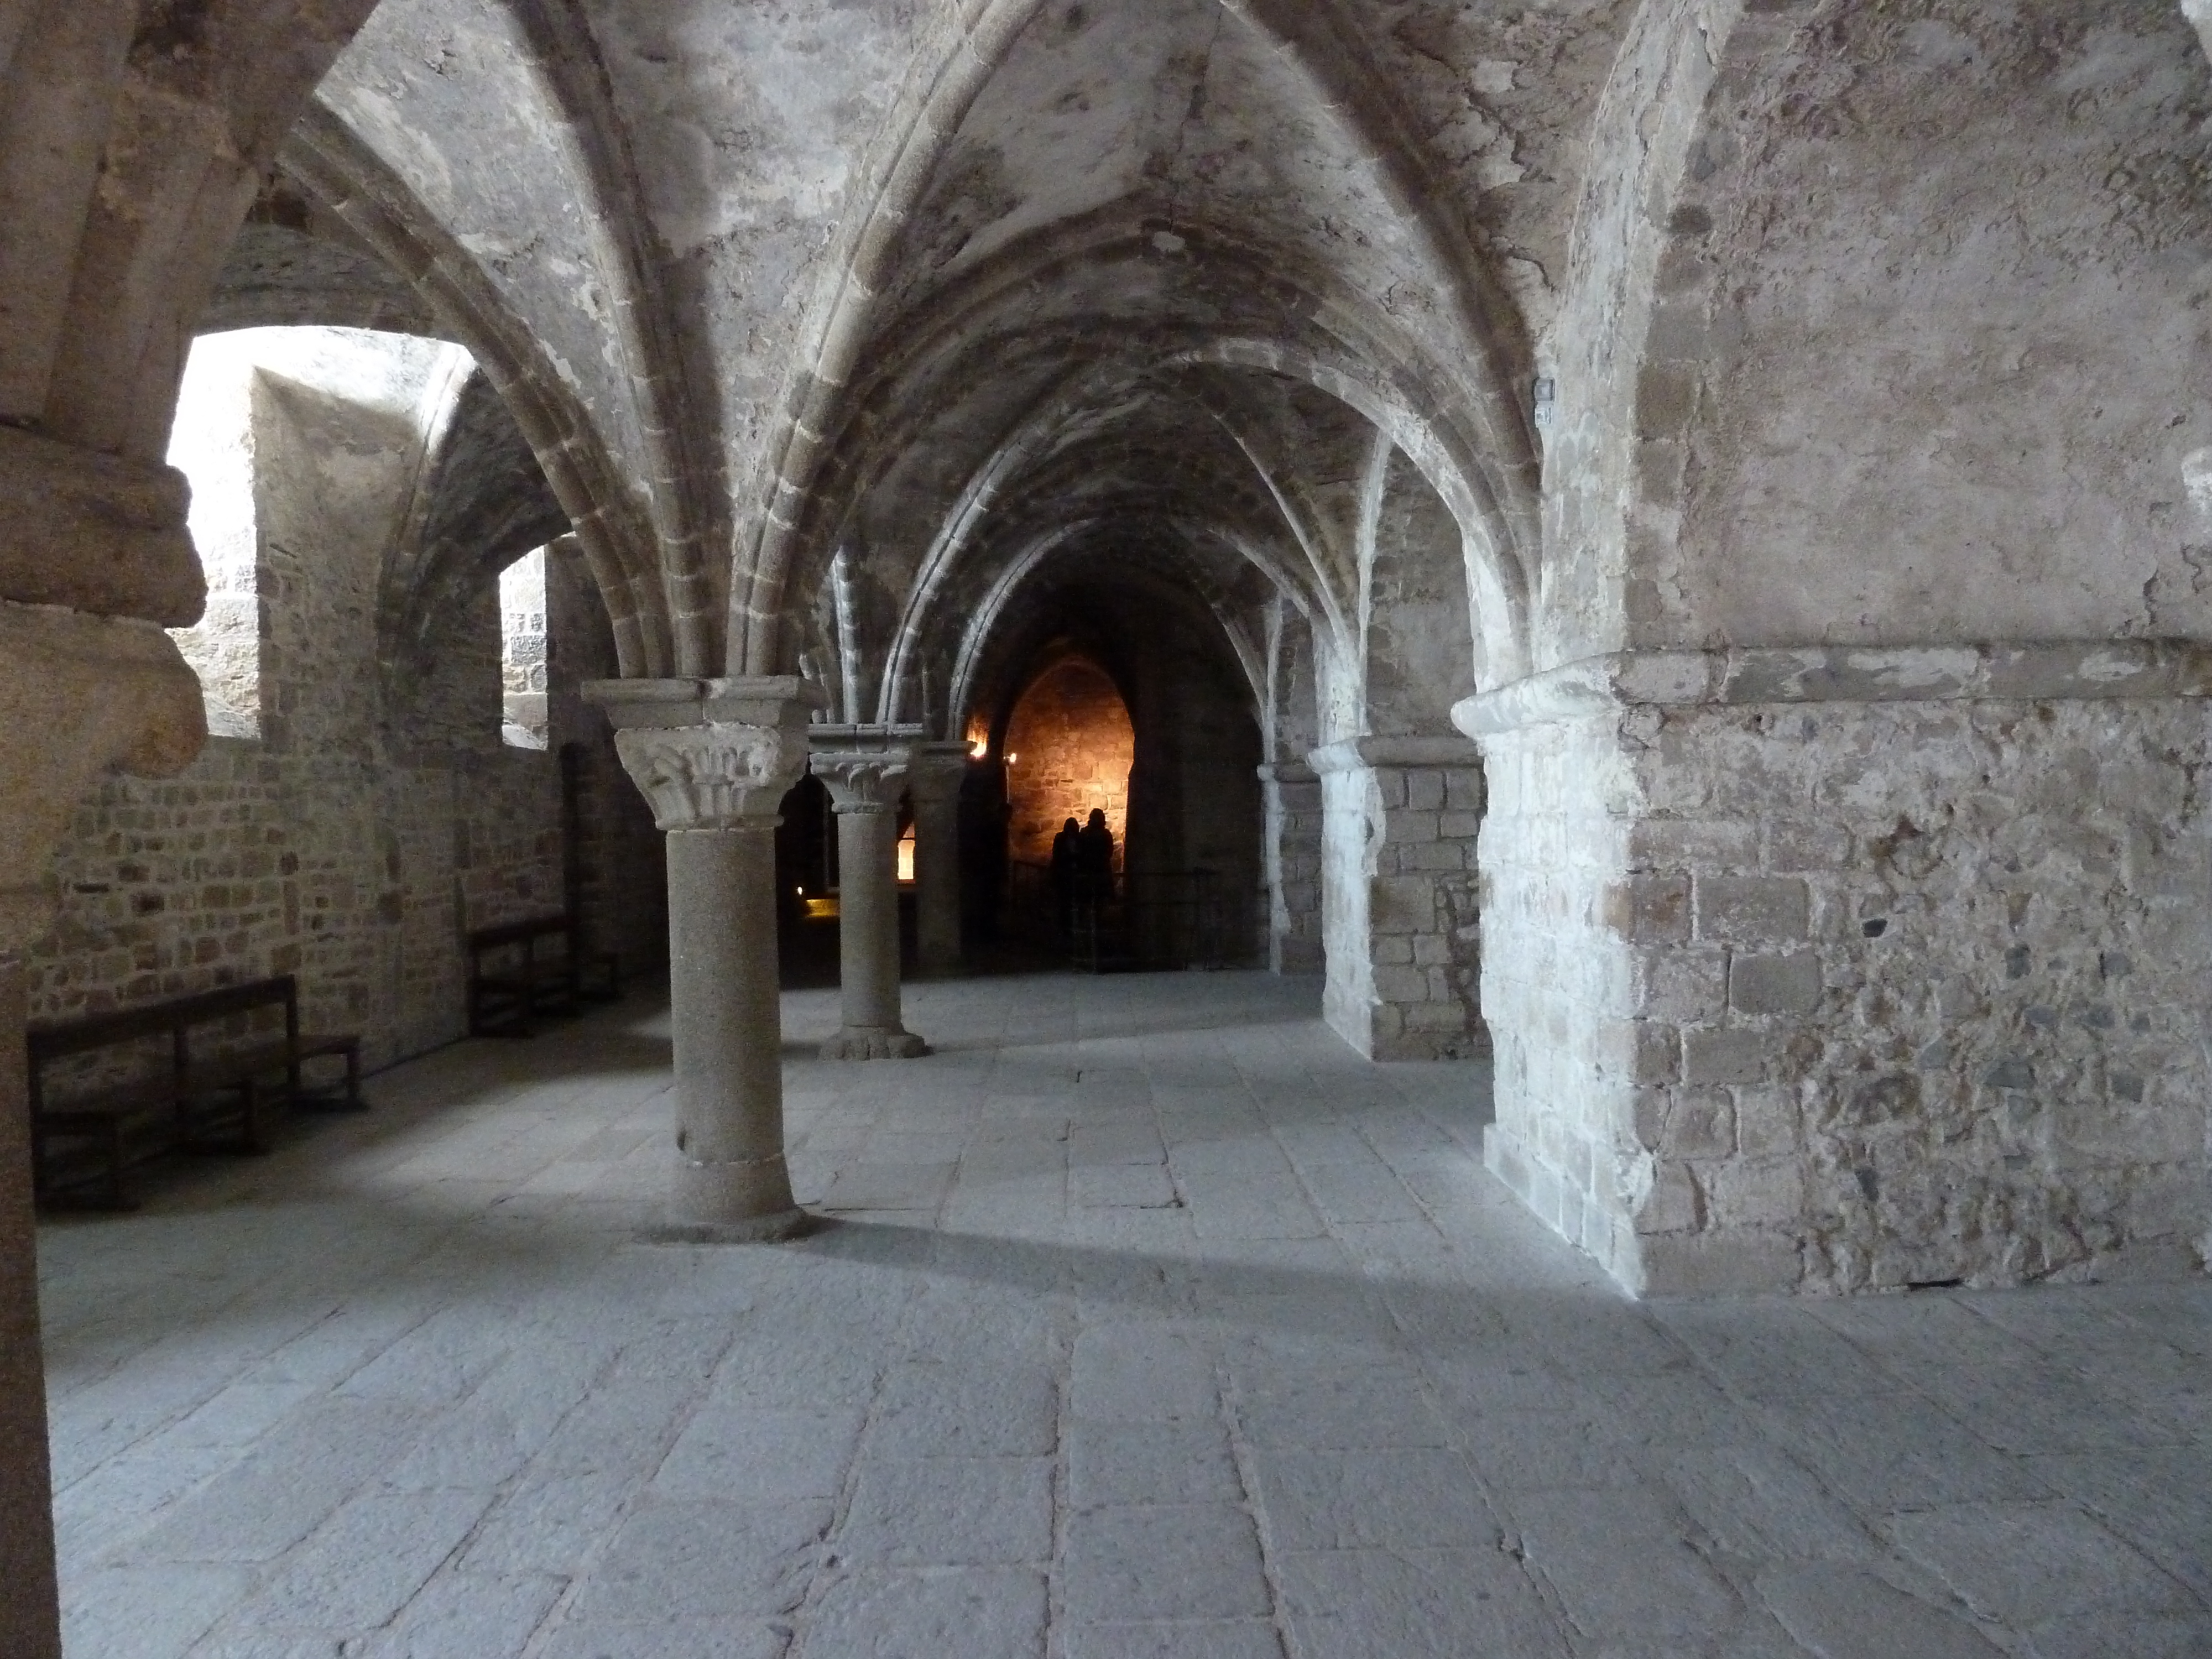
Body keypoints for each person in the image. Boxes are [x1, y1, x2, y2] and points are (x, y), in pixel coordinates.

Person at [1050, 816, 1081, 940]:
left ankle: (1070, 929)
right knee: (1064, 903)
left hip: (1073, 874)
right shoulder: (1061, 838)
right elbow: (1058, 855)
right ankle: (1065, 929)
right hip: (1064, 874)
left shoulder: (1078, 839)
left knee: (1071, 903)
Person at [1076, 808, 1114, 904]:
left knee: (1087, 901)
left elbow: (1080, 850)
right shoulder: (1106, 834)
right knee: (1099, 901)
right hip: (1100, 870)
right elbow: (1109, 852)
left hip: (1088, 869)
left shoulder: (1085, 833)